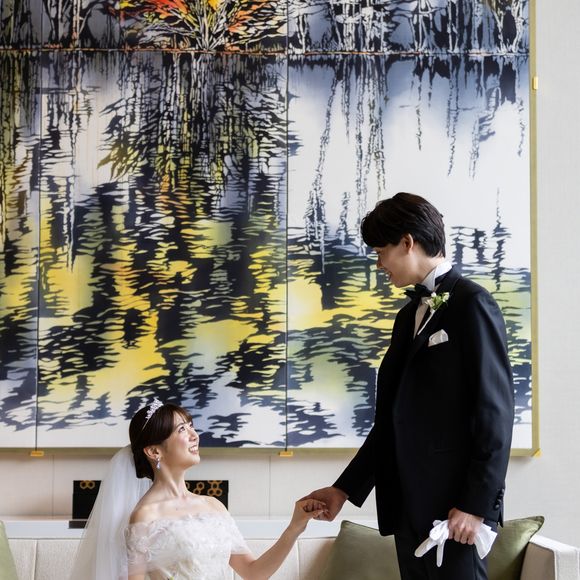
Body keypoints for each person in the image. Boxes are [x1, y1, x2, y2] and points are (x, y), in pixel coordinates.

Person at [304, 192, 514, 580]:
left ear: (407, 242)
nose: (378, 263)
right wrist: (343, 490)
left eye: (380, 251)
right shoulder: (406, 317)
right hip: (408, 511)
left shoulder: (473, 304)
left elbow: (495, 416)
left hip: (456, 516)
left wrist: (475, 506)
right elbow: (392, 422)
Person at [70, 399, 324, 580]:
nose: (194, 435)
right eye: (182, 429)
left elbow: (253, 572)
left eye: (191, 426)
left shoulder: (213, 506)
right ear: (154, 451)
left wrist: (295, 527)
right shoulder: (145, 516)